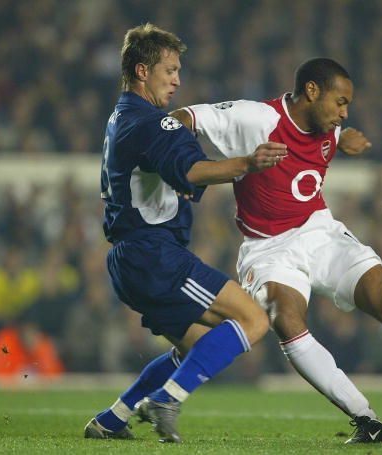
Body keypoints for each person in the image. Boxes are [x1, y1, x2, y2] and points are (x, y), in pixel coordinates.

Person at [166, 57, 382, 443]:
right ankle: (366, 419)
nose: (345, 113)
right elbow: (181, 118)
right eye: (341, 102)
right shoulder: (256, 118)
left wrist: (342, 138)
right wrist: (178, 167)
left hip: (321, 233)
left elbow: (329, 135)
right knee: (288, 321)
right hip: (268, 250)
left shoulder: (327, 125)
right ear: (311, 91)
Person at [83, 23, 287, 443]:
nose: (177, 80)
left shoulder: (118, 117)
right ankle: (167, 399)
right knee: (252, 319)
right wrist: (248, 163)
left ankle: (112, 418)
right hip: (155, 254)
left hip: (130, 258)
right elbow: (191, 170)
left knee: (200, 348)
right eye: (170, 70)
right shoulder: (153, 123)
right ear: (142, 71)